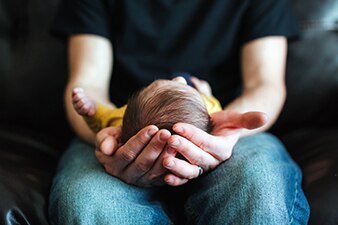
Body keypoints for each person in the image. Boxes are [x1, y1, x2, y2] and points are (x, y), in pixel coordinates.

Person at [49, 0, 310, 224]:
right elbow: (87, 84)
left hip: (227, 129)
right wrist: (106, 137)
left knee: (261, 190)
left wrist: (226, 131)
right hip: (122, 126)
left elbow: (264, 85)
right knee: (89, 201)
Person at [72, 75, 222, 143]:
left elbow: (99, 119)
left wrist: (90, 111)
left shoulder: (119, 120)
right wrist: (204, 93)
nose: (178, 79)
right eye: (177, 83)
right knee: (196, 84)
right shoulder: (209, 108)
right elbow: (216, 107)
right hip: (197, 97)